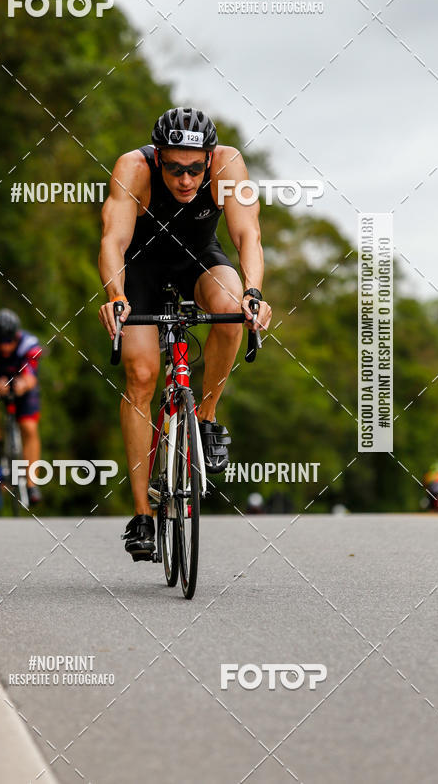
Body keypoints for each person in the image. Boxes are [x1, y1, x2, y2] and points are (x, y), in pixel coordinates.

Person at [98, 107, 272, 559]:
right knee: (140, 376)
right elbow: (113, 241)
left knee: (233, 310)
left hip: (199, 259)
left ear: (209, 159)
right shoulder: (133, 168)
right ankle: (142, 515)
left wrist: (254, 293)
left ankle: (207, 418)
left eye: (196, 169)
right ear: (158, 158)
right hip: (141, 271)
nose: (186, 180)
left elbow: (247, 234)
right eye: (174, 168)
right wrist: (116, 296)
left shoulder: (227, 165)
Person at [0, 309, 42, 505]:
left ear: (17, 336)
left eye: (9, 341)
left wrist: (22, 385)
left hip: (24, 387)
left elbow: (30, 376)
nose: (4, 347)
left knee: (29, 428)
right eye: (0, 342)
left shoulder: (30, 344)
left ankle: (31, 485)